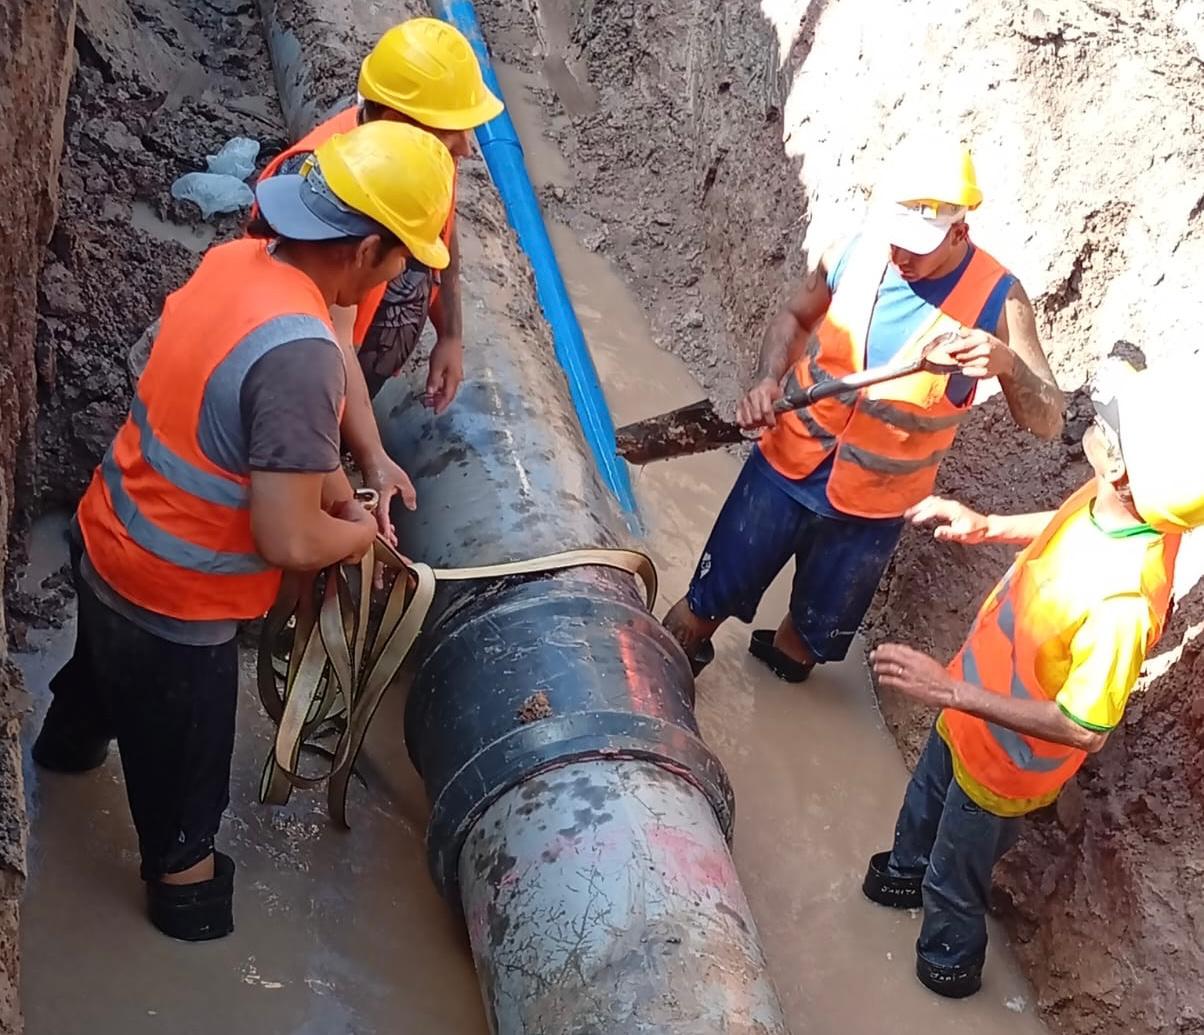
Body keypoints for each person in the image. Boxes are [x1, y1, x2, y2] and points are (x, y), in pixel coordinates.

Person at [31, 121, 456, 941]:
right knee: (187, 851)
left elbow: (250, 431)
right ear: (366, 251)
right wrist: (362, 538)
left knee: (85, 712)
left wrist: (339, 491)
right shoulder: (306, 356)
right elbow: (289, 542)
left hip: (106, 543)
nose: (403, 272)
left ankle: (61, 766)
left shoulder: (237, 268)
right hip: (175, 617)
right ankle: (182, 928)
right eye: (405, 255)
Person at [662, 136, 1065, 681]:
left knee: (804, 643)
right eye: (896, 240)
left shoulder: (1001, 299)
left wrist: (1008, 365)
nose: (900, 256)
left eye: (915, 247)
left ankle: (780, 663)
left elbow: (1048, 419)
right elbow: (794, 317)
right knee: (700, 608)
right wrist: (765, 379)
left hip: (871, 508)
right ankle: (661, 673)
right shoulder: (855, 249)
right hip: (785, 466)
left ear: (959, 232)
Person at [863, 356, 1202, 998]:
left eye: (1109, 421)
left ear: (1122, 467)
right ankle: (902, 873)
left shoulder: (1122, 606)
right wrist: (987, 525)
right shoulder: (1117, 504)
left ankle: (947, 967)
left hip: (1004, 763)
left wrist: (948, 690)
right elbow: (1065, 528)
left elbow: (1083, 728)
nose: (1097, 419)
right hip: (967, 710)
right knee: (922, 809)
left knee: (953, 878)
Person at [254, 18, 503, 542]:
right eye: (451, 129)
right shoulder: (333, 193)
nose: (465, 147)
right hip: (308, 380)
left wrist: (450, 334)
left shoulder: (420, 158)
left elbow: (443, 238)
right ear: (393, 117)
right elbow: (326, 347)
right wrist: (366, 469)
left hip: (344, 367)